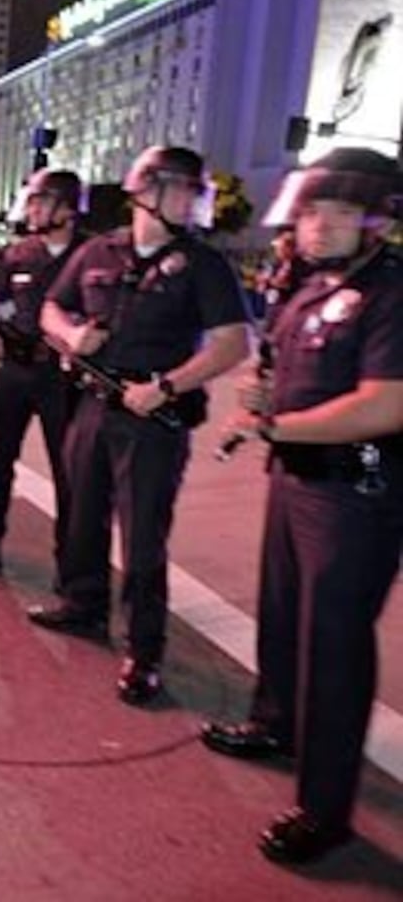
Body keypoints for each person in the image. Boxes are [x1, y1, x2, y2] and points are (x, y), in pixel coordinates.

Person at [200, 148, 403, 864]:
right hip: (295, 480)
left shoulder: (388, 292)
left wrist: (274, 425)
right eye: (311, 212)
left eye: (337, 213)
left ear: (374, 219)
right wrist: (261, 399)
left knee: (334, 645)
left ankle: (324, 809)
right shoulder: (307, 283)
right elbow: (279, 370)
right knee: (282, 617)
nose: (316, 227)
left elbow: (383, 405)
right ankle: (275, 721)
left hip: (353, 494)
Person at [29, 146, 250, 705]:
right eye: (183, 190)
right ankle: (83, 604)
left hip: (154, 415)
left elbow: (231, 344)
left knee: (144, 534)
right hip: (93, 402)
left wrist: (169, 386)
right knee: (82, 511)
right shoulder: (98, 250)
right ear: (147, 191)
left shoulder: (204, 264)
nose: (193, 202)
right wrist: (72, 336)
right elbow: (50, 308)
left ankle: (144, 649)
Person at [0, 170, 88, 576]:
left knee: (69, 473)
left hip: (62, 378)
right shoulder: (19, 253)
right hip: (13, 369)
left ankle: (71, 566)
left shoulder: (93, 253)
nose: (31, 210)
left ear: (67, 209)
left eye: (40, 202)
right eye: (30, 201)